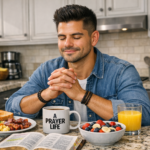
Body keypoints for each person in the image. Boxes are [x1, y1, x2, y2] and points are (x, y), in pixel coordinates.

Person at [6, 4, 150, 126]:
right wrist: (46, 94)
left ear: (93, 38)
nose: (67, 43)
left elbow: (144, 115)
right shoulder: (46, 70)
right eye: (62, 37)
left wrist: (83, 95)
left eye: (76, 37)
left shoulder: (122, 71)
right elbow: (11, 108)